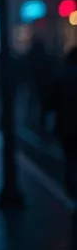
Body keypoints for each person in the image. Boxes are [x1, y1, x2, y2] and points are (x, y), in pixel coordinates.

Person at [49, 47, 77, 203]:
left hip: (66, 126)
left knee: (70, 158)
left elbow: (51, 101)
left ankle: (72, 191)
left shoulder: (61, 77)